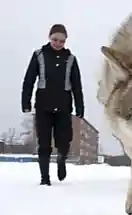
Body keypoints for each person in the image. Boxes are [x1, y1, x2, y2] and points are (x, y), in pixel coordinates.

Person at [21, 24, 85, 186]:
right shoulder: (39, 55)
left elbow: (76, 84)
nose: (58, 43)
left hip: (64, 106)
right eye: (55, 40)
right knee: (44, 142)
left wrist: (80, 107)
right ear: (49, 38)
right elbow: (29, 80)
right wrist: (26, 102)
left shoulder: (71, 59)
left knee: (64, 140)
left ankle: (62, 160)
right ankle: (44, 178)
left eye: (62, 41)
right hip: (43, 106)